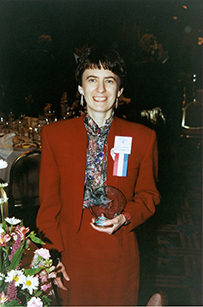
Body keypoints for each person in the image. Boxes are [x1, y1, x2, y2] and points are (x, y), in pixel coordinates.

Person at [36, 46, 160, 306]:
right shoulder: (55, 135)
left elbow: (149, 196)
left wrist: (126, 217)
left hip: (119, 250)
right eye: (92, 80)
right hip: (71, 252)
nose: (100, 90)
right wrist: (52, 257)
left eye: (109, 81)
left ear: (120, 90)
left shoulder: (143, 137)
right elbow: (48, 205)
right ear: (80, 89)